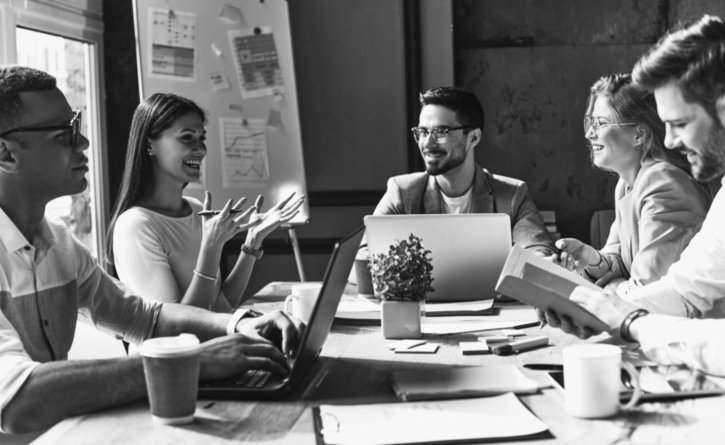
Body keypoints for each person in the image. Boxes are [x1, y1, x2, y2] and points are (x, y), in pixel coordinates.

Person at [0, 66, 304, 435]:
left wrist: (240, 324)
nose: (84, 144)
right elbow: (19, 401)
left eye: (77, 126)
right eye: (65, 134)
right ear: (6, 154)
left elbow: (145, 318)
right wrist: (192, 362)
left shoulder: (60, 242)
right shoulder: (133, 223)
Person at [545, 15, 725, 375]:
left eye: (680, 123)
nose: (670, 140)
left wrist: (631, 321)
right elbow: (683, 290)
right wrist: (594, 308)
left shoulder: (662, 180)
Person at [107, 93, 304, 311]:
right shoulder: (135, 225)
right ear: (149, 146)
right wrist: (211, 248)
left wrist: (252, 242)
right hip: (183, 346)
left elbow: (221, 305)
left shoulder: (197, 209)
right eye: (187, 137)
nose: (201, 149)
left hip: (216, 343)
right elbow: (176, 327)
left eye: (201, 138)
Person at [552, 73, 710, 295]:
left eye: (601, 123)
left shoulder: (663, 183)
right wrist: (591, 258)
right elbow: (619, 262)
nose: (589, 133)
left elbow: (647, 291)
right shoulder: (627, 184)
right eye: (590, 122)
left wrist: (610, 286)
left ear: (639, 135)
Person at [360, 86, 555, 262]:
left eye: (441, 132)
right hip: (424, 302)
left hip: (494, 301)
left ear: (473, 137)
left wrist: (540, 262)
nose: (427, 144)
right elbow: (362, 260)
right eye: (422, 132)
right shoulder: (402, 193)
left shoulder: (512, 195)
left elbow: (538, 251)